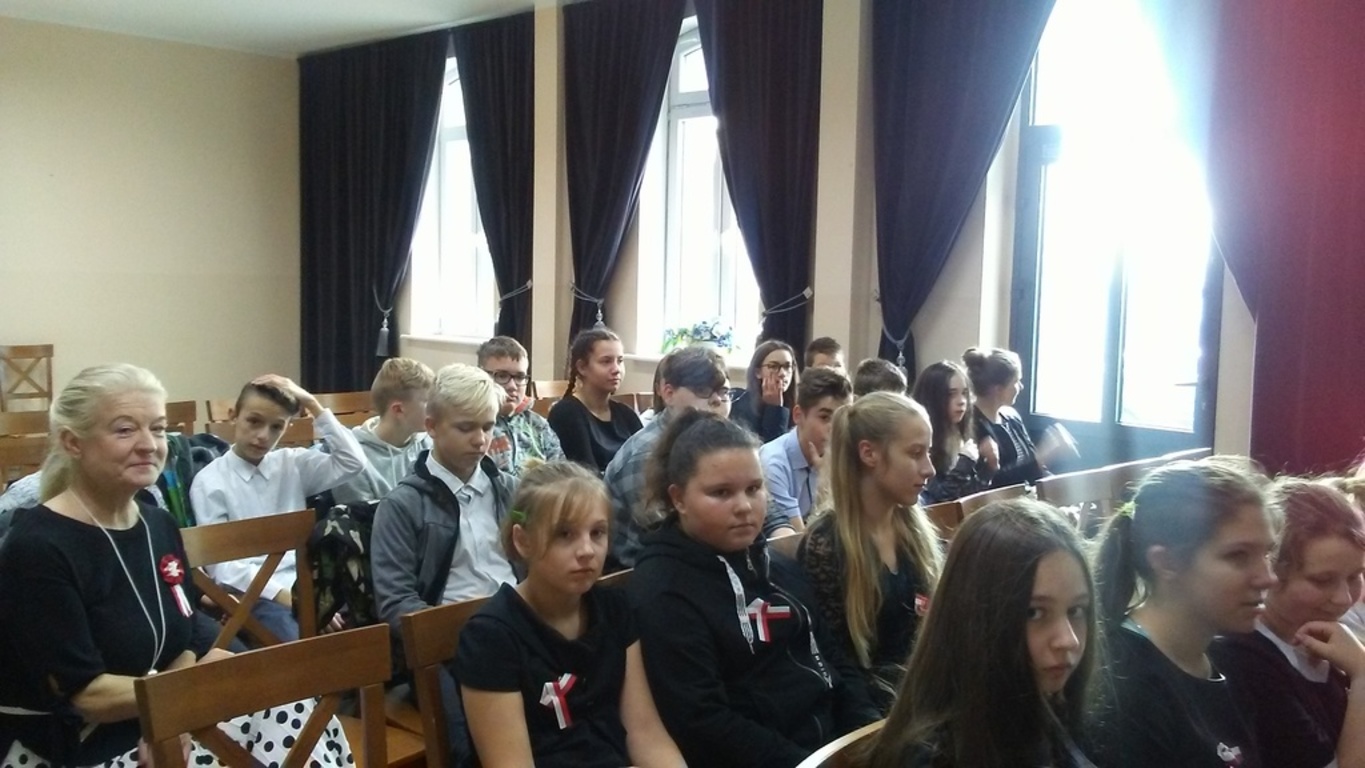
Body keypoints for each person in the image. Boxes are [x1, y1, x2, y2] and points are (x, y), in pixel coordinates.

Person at [0, 364, 350, 767]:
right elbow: (86, 696)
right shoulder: (37, 548)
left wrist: (180, 707)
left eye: (158, 428)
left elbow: (185, 637)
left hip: (163, 711)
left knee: (298, 708)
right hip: (74, 742)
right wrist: (186, 695)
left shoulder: (158, 524)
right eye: (125, 430)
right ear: (72, 442)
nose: (149, 445)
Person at [630, 410, 878, 768]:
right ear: (679, 498)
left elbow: (833, 657)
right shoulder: (663, 588)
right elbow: (703, 720)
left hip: (831, 748)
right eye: (721, 493)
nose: (745, 507)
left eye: (754, 488)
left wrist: (866, 733)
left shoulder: (778, 566)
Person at [455, 461, 684, 768]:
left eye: (597, 532)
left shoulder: (615, 609)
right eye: (564, 534)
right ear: (523, 540)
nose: (587, 550)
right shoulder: (490, 637)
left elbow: (646, 734)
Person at [864, 498, 1098, 767]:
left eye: (1076, 610)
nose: (1069, 640)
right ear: (976, 621)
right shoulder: (934, 758)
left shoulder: (1049, 707)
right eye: (1034, 613)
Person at [1088, 459, 1274, 768]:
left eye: (1266, 553)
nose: (1267, 577)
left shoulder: (1228, 656)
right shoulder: (1127, 688)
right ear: (1166, 563)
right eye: (1238, 556)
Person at [190, 373, 367, 641]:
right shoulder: (210, 481)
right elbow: (223, 568)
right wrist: (289, 598)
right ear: (233, 416)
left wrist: (312, 404)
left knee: (365, 622)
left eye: (276, 427)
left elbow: (353, 462)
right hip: (258, 595)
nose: (263, 436)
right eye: (254, 421)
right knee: (297, 644)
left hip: (308, 583)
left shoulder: (291, 463)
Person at [798, 391, 943, 710]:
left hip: (921, 690)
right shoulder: (826, 544)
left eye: (928, 452)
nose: (929, 468)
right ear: (869, 453)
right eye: (915, 453)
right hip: (871, 707)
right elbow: (836, 663)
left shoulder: (914, 530)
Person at [1211, 479, 1365, 768]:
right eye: (1322, 580)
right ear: (1270, 571)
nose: (1344, 598)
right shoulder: (1245, 659)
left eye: (1355, 576)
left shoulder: (1325, 637)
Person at [371, 364, 519, 636]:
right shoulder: (402, 506)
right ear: (431, 426)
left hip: (518, 621)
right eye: (465, 428)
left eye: (488, 427)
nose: (480, 440)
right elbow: (396, 604)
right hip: (451, 636)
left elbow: (538, 564)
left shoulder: (511, 490)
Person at [603, 346, 731, 571]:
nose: (717, 401)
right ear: (669, 393)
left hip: (696, 558)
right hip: (642, 571)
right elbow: (669, 534)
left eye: (724, 392)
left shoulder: (711, 440)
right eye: (702, 390)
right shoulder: (645, 455)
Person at [761, 368, 853, 536]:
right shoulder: (773, 463)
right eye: (825, 417)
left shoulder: (845, 453)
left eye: (842, 418)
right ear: (798, 415)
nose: (835, 428)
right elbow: (799, 541)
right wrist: (827, 479)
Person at [963, 347, 1071, 487]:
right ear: (998, 389)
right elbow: (995, 482)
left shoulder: (1011, 416)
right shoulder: (972, 424)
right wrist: (1042, 457)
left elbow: (1034, 468)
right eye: (1016, 381)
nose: (1020, 387)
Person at [332, 357, 434, 504]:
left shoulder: (429, 443)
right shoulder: (353, 460)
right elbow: (360, 516)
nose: (435, 408)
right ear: (398, 410)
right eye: (427, 402)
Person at [547, 328, 642, 473]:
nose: (616, 369)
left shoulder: (625, 414)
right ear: (582, 367)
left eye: (620, 361)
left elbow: (647, 459)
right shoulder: (566, 413)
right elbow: (586, 474)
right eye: (606, 361)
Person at [478, 336, 565, 477]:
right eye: (501, 376)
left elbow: (559, 475)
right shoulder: (473, 426)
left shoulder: (538, 425)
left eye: (519, 377)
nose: (512, 386)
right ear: (480, 375)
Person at [911, 360, 987, 503]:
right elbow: (939, 501)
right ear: (933, 398)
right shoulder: (918, 440)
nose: (961, 401)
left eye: (964, 393)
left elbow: (969, 497)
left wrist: (989, 469)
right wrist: (964, 463)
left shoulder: (958, 433)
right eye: (951, 394)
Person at [734, 340, 799, 444]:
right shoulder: (741, 403)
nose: (782, 373)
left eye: (787, 367)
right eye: (773, 366)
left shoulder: (798, 406)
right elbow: (771, 448)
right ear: (758, 372)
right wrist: (775, 410)